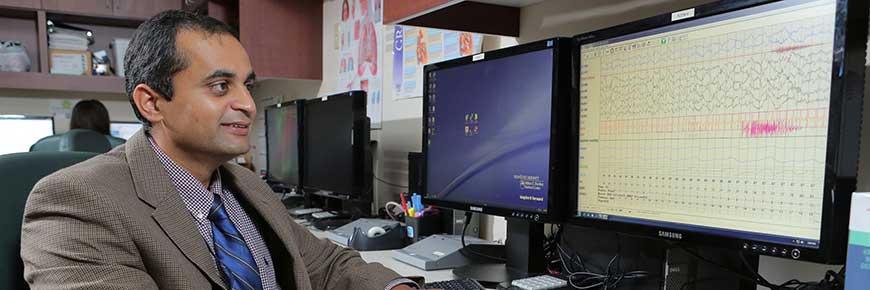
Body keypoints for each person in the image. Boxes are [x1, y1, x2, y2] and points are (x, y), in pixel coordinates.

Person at [21, 10, 419, 290]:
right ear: (152, 103)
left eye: (247, 84)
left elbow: (325, 264)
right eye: (220, 86)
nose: (247, 103)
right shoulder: (76, 201)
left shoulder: (246, 186)